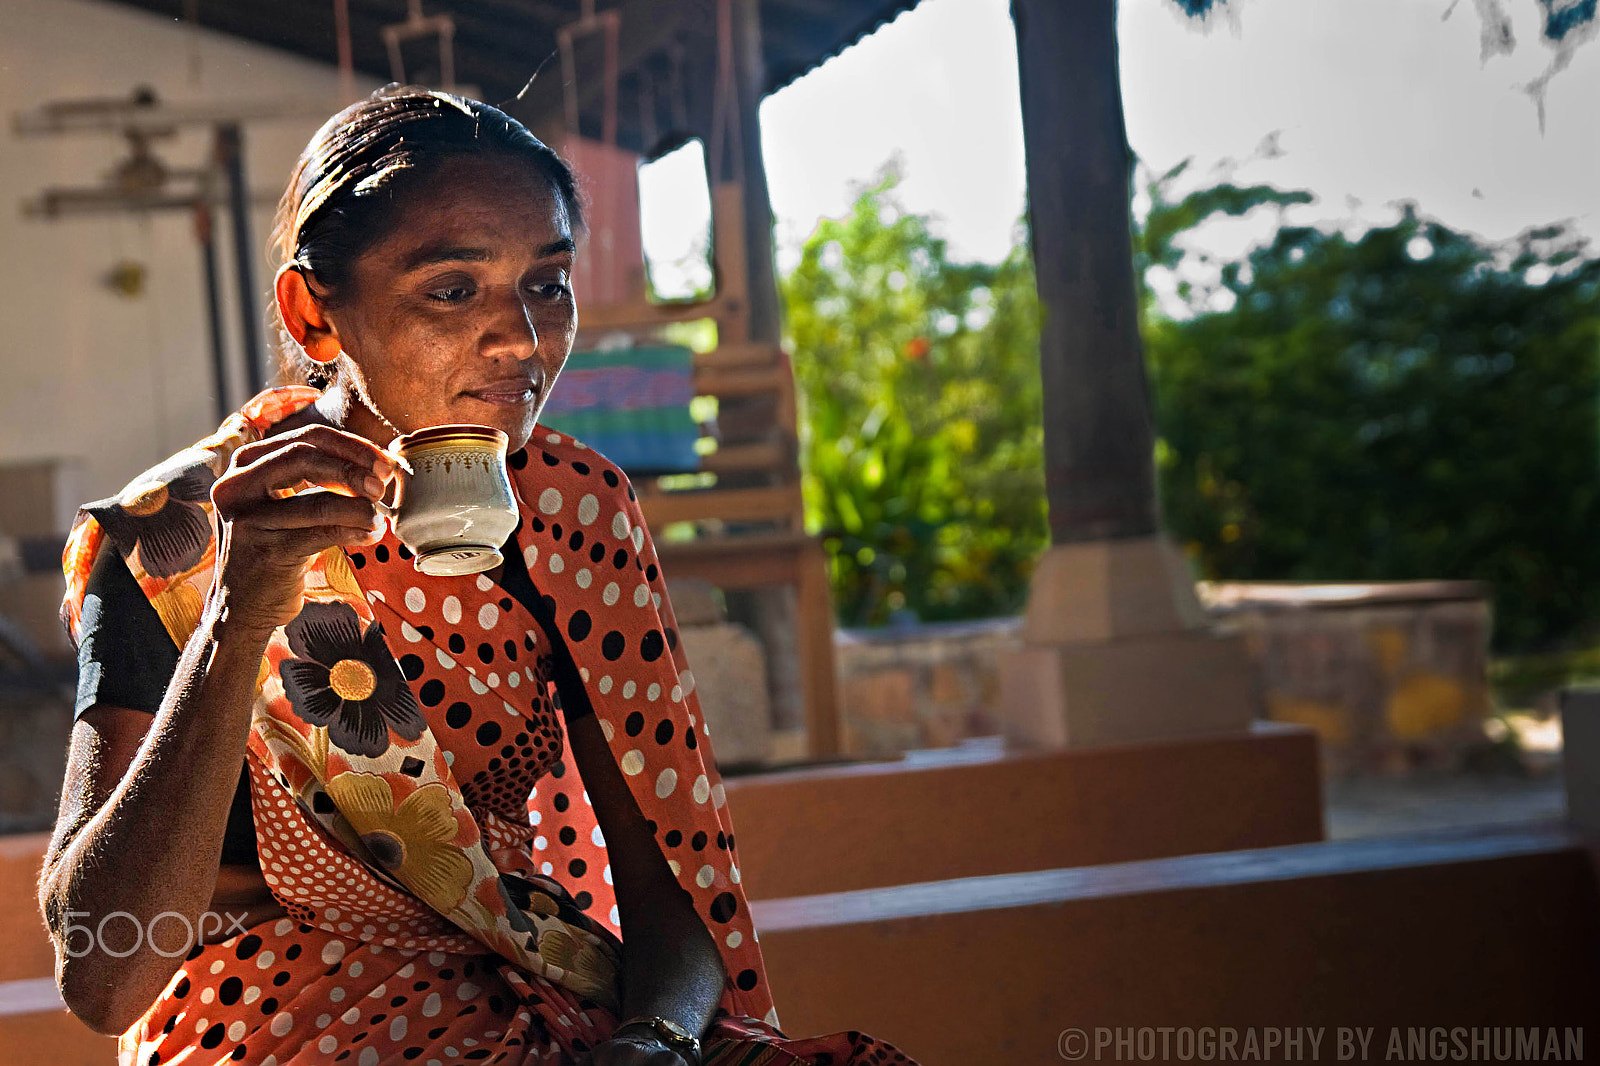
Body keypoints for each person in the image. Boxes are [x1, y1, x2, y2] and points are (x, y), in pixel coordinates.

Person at [40, 86, 920, 1066]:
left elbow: (675, 879)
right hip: (270, 1034)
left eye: (546, 283)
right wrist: (238, 618)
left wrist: (653, 1040)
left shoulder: (577, 510)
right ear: (313, 311)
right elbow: (104, 977)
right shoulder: (178, 540)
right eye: (452, 290)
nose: (521, 340)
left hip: (552, 1012)